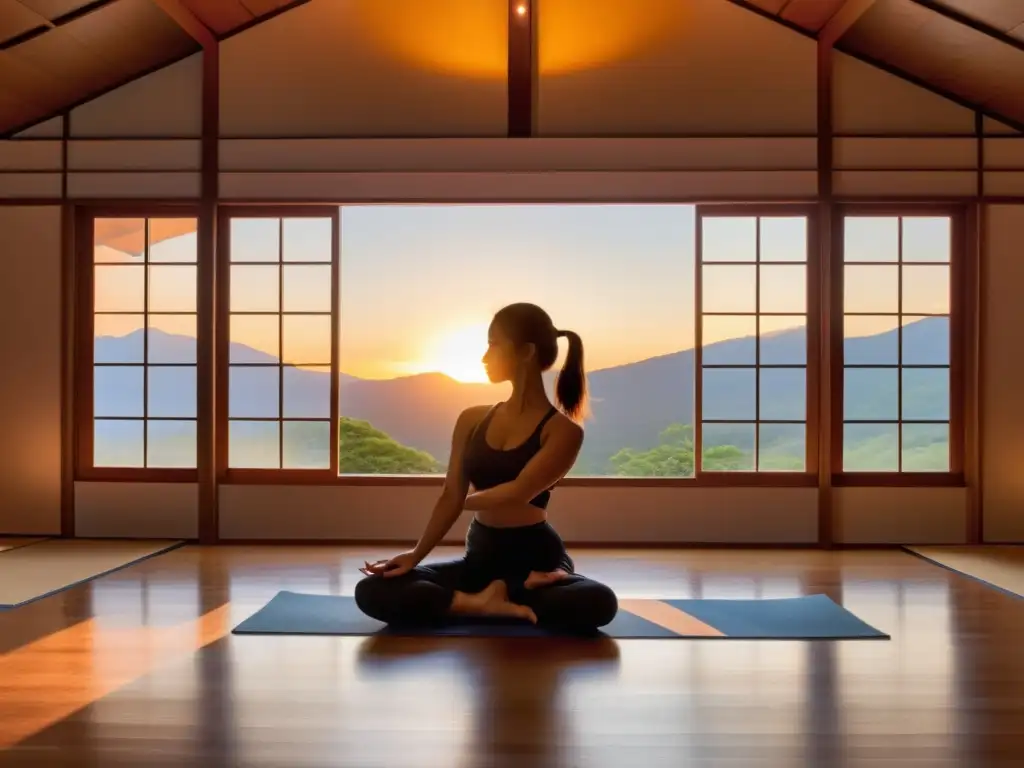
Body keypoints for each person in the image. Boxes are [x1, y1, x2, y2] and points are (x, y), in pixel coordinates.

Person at [354, 302, 619, 634]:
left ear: (526, 352)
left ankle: (519, 587)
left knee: (598, 601)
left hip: (537, 557)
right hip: (481, 555)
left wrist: (459, 504)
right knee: (373, 590)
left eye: (494, 344)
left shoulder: (564, 431)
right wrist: (415, 555)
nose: (484, 356)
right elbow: (451, 491)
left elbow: (518, 492)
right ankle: (482, 602)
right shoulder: (472, 419)